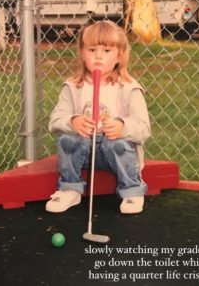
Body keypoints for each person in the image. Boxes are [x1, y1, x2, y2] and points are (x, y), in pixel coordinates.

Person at [46, 20, 151, 214]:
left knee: (117, 143)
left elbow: (144, 129)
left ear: (119, 55)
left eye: (107, 51)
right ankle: (70, 188)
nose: (98, 56)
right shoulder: (73, 86)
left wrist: (122, 126)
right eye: (92, 50)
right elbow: (55, 121)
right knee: (67, 140)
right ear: (82, 53)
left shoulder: (129, 88)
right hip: (83, 154)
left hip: (114, 154)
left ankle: (132, 191)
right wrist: (73, 121)